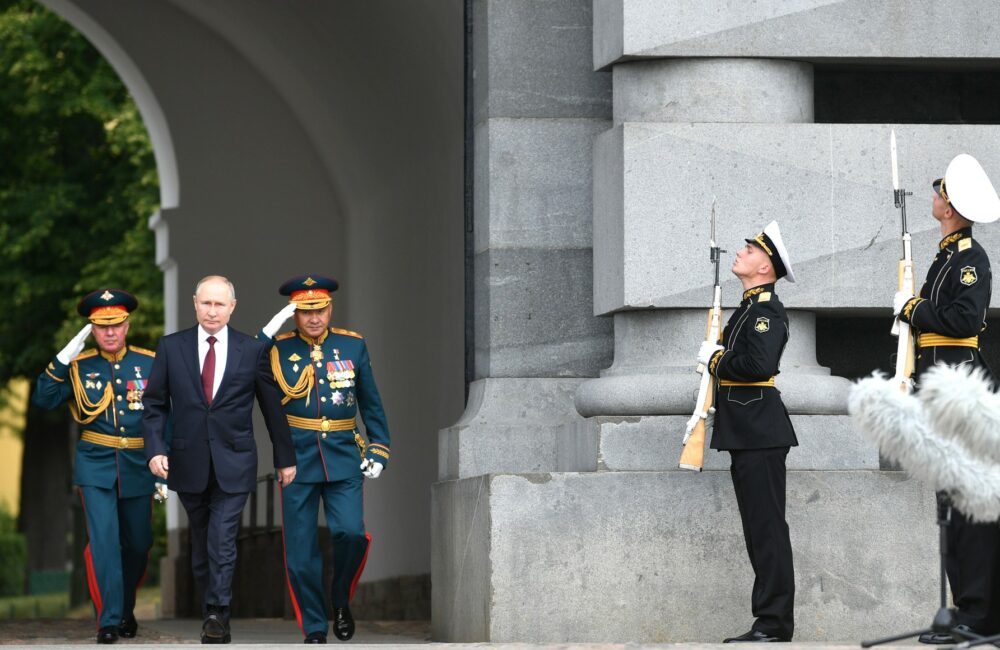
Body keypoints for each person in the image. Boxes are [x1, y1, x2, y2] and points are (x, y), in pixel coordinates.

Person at [141, 275, 297, 644]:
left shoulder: (251, 349)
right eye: (206, 303)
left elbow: (271, 407)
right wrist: (155, 449)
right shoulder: (171, 347)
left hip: (235, 460)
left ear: (232, 307)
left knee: (222, 538)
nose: (212, 311)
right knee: (200, 543)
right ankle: (209, 606)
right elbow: (154, 405)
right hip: (187, 460)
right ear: (195, 303)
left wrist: (284, 457)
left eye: (220, 304)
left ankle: (217, 613)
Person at [894, 154, 1000, 643]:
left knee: (968, 506)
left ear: (952, 208)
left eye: (939, 194)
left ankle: (979, 613)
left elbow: (961, 321)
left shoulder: (972, 261)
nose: (934, 199)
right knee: (951, 504)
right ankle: (965, 609)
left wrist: (915, 309)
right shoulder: (944, 257)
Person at [257, 275, 391, 643]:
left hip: (344, 455)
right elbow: (243, 364)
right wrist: (268, 331)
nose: (314, 318)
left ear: (330, 308)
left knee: (351, 533)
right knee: (300, 553)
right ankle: (315, 626)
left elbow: (370, 401)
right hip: (296, 459)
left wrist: (379, 447)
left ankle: (340, 598)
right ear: (293, 313)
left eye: (320, 310)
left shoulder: (353, 345)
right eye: (304, 312)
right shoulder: (277, 348)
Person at [33, 289, 157, 644]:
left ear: (127, 325)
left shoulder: (150, 364)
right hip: (95, 465)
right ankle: (109, 619)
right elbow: (43, 399)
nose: (110, 333)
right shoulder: (78, 366)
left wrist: (165, 457)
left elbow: (167, 412)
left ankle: (125, 605)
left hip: (137, 463)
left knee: (138, 543)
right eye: (102, 327)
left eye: (116, 325)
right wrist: (62, 358)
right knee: (103, 541)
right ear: (91, 328)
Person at [697, 222, 797, 643]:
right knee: (759, 531)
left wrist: (716, 360)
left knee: (768, 530)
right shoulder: (748, 309)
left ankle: (773, 624)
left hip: (760, 432)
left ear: (765, 267)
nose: (742, 252)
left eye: (751, 249)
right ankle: (769, 621)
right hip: (748, 432)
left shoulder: (766, 312)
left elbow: (758, 367)